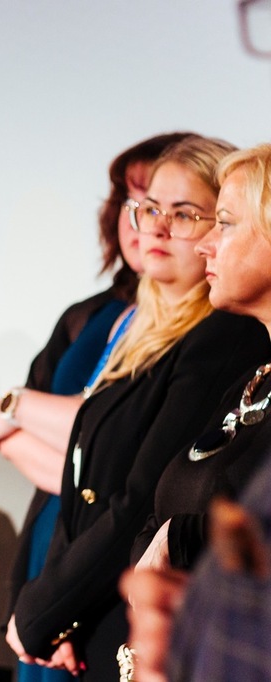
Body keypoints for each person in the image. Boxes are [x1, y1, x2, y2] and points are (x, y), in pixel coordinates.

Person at [6, 135, 270, 680]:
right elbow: (118, 494)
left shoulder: (221, 342)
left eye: (215, 221)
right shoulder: (232, 370)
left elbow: (138, 498)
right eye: (150, 209)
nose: (165, 231)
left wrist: (177, 538)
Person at [0, 133, 191, 682]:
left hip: (98, 564)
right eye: (136, 203)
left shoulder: (192, 335)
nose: (147, 222)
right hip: (53, 544)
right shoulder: (89, 315)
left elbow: (115, 464)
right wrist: (77, 462)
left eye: (170, 208)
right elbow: (1, 430)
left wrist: (26, 409)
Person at [121, 143, 271, 681]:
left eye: (224, 223)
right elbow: (154, 515)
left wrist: (182, 538)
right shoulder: (249, 381)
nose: (205, 242)